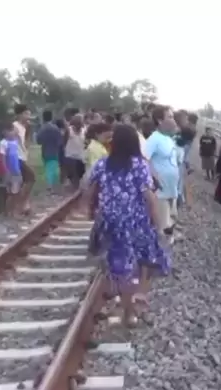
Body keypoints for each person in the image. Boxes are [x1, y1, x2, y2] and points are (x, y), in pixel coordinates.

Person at [85, 124, 170, 326]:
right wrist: (158, 225)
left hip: (111, 222)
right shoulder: (140, 165)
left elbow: (91, 189)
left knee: (121, 268)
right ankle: (138, 299)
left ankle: (129, 312)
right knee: (147, 259)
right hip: (136, 221)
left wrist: (91, 211)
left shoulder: (103, 164)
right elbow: (149, 196)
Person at [145, 105, 181, 242]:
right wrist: (154, 176)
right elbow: (144, 159)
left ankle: (168, 240)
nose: (173, 120)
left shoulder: (168, 138)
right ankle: (161, 249)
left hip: (171, 188)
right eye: (170, 117)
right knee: (162, 227)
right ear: (160, 120)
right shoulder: (154, 139)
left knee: (170, 221)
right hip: (160, 191)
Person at [12, 104, 35, 215]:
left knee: (23, 182)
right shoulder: (14, 126)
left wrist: (29, 130)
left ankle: (23, 205)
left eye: (29, 114)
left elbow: (26, 143)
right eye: (26, 114)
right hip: (16, 157)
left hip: (22, 157)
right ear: (19, 115)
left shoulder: (26, 127)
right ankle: (22, 204)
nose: (28, 116)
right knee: (31, 178)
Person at [36, 110, 64, 191]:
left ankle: (51, 185)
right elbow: (60, 142)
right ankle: (50, 186)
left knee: (48, 168)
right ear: (51, 117)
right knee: (52, 169)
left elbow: (38, 141)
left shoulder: (42, 129)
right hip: (54, 151)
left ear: (43, 118)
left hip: (44, 152)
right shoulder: (55, 128)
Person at [1, 129, 24, 216]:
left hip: (16, 170)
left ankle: (13, 211)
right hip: (10, 171)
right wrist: (6, 170)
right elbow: (3, 158)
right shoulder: (4, 143)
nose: (13, 133)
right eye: (11, 131)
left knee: (16, 192)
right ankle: (9, 212)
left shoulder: (15, 141)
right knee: (11, 193)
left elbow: (21, 143)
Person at [64, 114, 86, 189]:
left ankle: (77, 188)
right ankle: (74, 188)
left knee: (80, 173)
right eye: (78, 123)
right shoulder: (69, 130)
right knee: (73, 174)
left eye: (81, 123)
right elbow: (64, 141)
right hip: (70, 155)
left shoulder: (84, 130)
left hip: (81, 156)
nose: (80, 125)